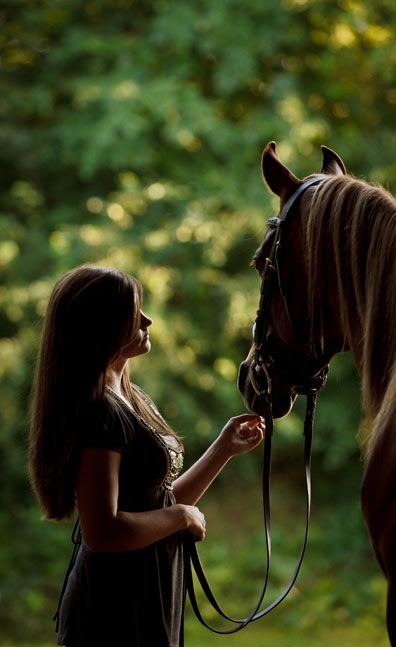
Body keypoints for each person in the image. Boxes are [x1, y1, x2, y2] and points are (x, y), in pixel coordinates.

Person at [27, 265, 267, 647]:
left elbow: (160, 503)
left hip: (147, 589)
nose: (148, 318)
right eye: (132, 310)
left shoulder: (133, 399)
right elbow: (102, 532)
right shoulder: (100, 414)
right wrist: (180, 517)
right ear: (102, 324)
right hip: (113, 605)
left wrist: (224, 447)